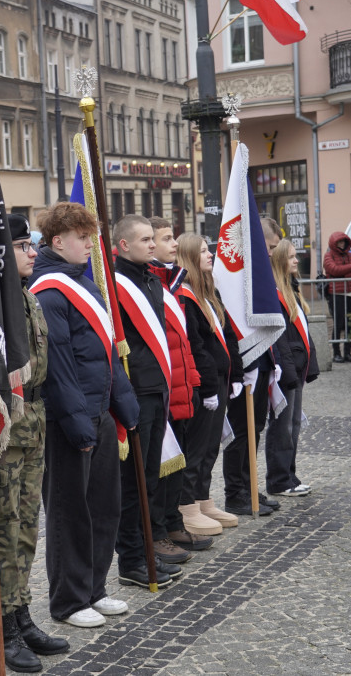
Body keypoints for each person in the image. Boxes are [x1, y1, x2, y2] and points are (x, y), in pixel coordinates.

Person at [28, 201, 139, 629]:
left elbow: (105, 353)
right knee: (69, 513)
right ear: (58, 242)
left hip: (99, 413)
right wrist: (78, 422)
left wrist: (122, 405)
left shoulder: (83, 284)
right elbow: (59, 365)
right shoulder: (50, 290)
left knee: (104, 506)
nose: (91, 245)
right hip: (69, 420)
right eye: (82, 238)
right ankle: (69, 599)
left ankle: (94, 588)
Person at [0, 214, 70, 673]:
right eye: (22, 245)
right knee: (2, 531)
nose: (33, 253)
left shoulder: (27, 297)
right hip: (3, 424)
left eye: (32, 244)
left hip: (32, 418)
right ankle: (3, 627)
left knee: (27, 526)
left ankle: (22, 614)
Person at [111, 215, 185, 591]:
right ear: (124, 245)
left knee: (150, 479)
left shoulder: (152, 278)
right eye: (144, 240)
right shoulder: (113, 284)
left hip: (157, 389)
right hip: (134, 391)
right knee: (133, 483)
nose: (153, 245)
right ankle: (132, 559)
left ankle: (146, 552)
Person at [146, 218, 213, 554]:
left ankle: (174, 525)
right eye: (164, 238)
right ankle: (159, 531)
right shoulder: (148, 287)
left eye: (173, 238)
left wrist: (197, 385)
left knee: (178, 465)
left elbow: (185, 345)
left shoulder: (170, 284)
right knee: (161, 470)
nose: (173, 244)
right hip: (163, 394)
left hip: (182, 391)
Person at [175, 233, 243, 531]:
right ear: (190, 256)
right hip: (206, 383)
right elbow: (196, 345)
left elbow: (227, 336)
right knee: (197, 446)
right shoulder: (185, 295)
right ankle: (187, 506)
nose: (210, 255)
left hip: (221, 378)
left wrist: (237, 374)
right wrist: (208, 388)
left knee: (211, 446)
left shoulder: (208, 293)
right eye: (203, 251)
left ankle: (203, 499)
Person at [222, 217, 283, 517]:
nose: (271, 254)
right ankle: (235, 493)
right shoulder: (235, 274)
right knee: (241, 433)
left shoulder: (258, 271)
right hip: (242, 364)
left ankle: (248, 486)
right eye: (269, 247)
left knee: (255, 429)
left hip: (259, 361)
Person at [265, 239, 319, 497]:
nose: (297, 260)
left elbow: (303, 333)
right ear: (279, 262)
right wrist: (288, 372)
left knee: (293, 426)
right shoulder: (276, 295)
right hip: (287, 371)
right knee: (283, 427)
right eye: (291, 257)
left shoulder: (291, 290)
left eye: (296, 256)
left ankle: (290, 476)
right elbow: (281, 339)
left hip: (296, 369)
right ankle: (279, 480)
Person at [323, 231, 351, 363]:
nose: (341, 244)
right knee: (338, 324)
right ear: (334, 243)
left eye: (343, 242)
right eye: (339, 242)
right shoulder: (328, 256)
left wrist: (343, 275)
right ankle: (336, 353)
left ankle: (347, 353)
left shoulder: (350, 255)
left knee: (350, 324)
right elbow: (333, 270)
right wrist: (350, 268)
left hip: (350, 293)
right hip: (336, 294)